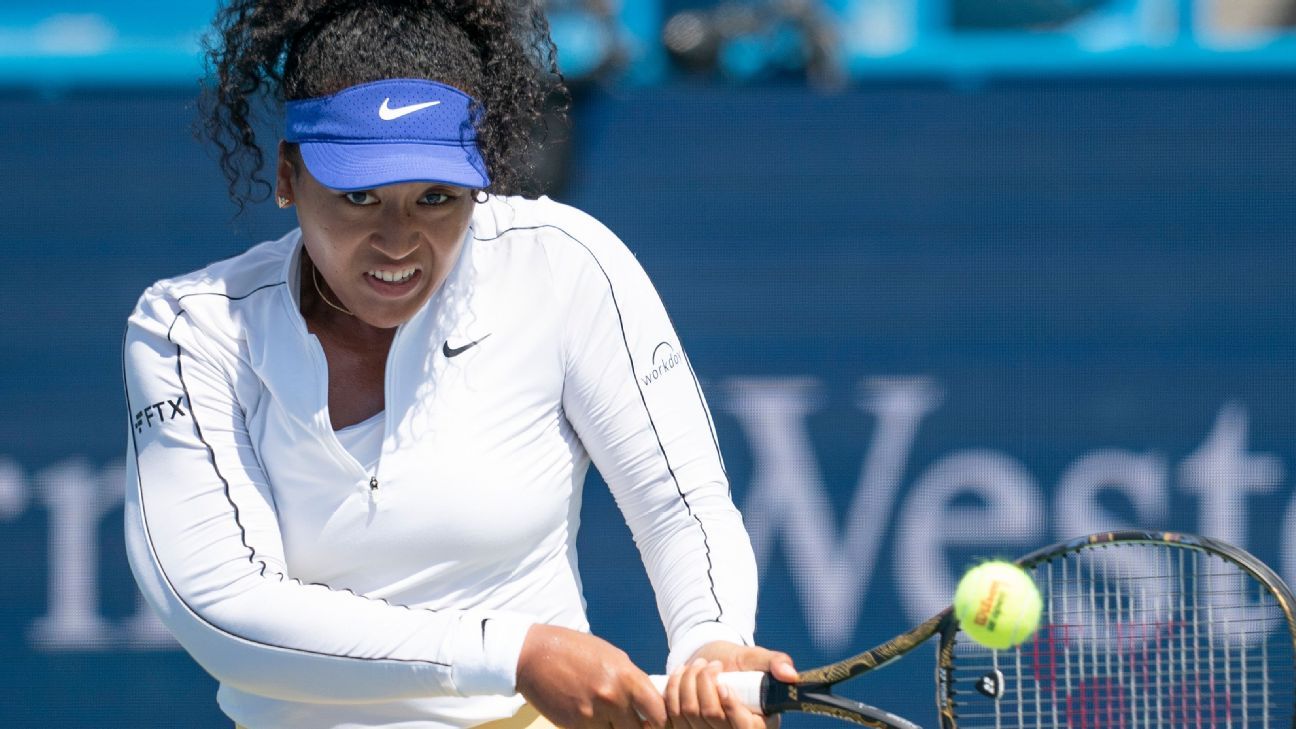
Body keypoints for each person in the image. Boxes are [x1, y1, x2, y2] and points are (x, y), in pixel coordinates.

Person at [121, 1, 797, 728]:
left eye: (437, 198)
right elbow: (219, 607)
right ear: (289, 175)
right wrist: (517, 653)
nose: (397, 241)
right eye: (358, 197)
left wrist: (713, 640)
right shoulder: (189, 328)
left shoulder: (564, 261)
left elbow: (681, 504)